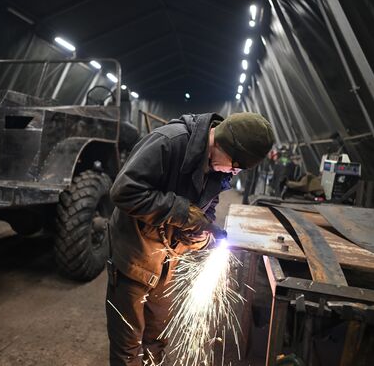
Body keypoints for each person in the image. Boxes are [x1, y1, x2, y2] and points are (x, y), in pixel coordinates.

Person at [105, 112, 275, 365]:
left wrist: (203, 234)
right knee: (128, 346)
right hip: (135, 255)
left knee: (157, 338)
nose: (233, 172)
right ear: (222, 144)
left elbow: (204, 210)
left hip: (168, 262)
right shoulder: (168, 142)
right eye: (234, 166)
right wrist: (183, 213)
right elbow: (124, 191)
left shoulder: (217, 168)